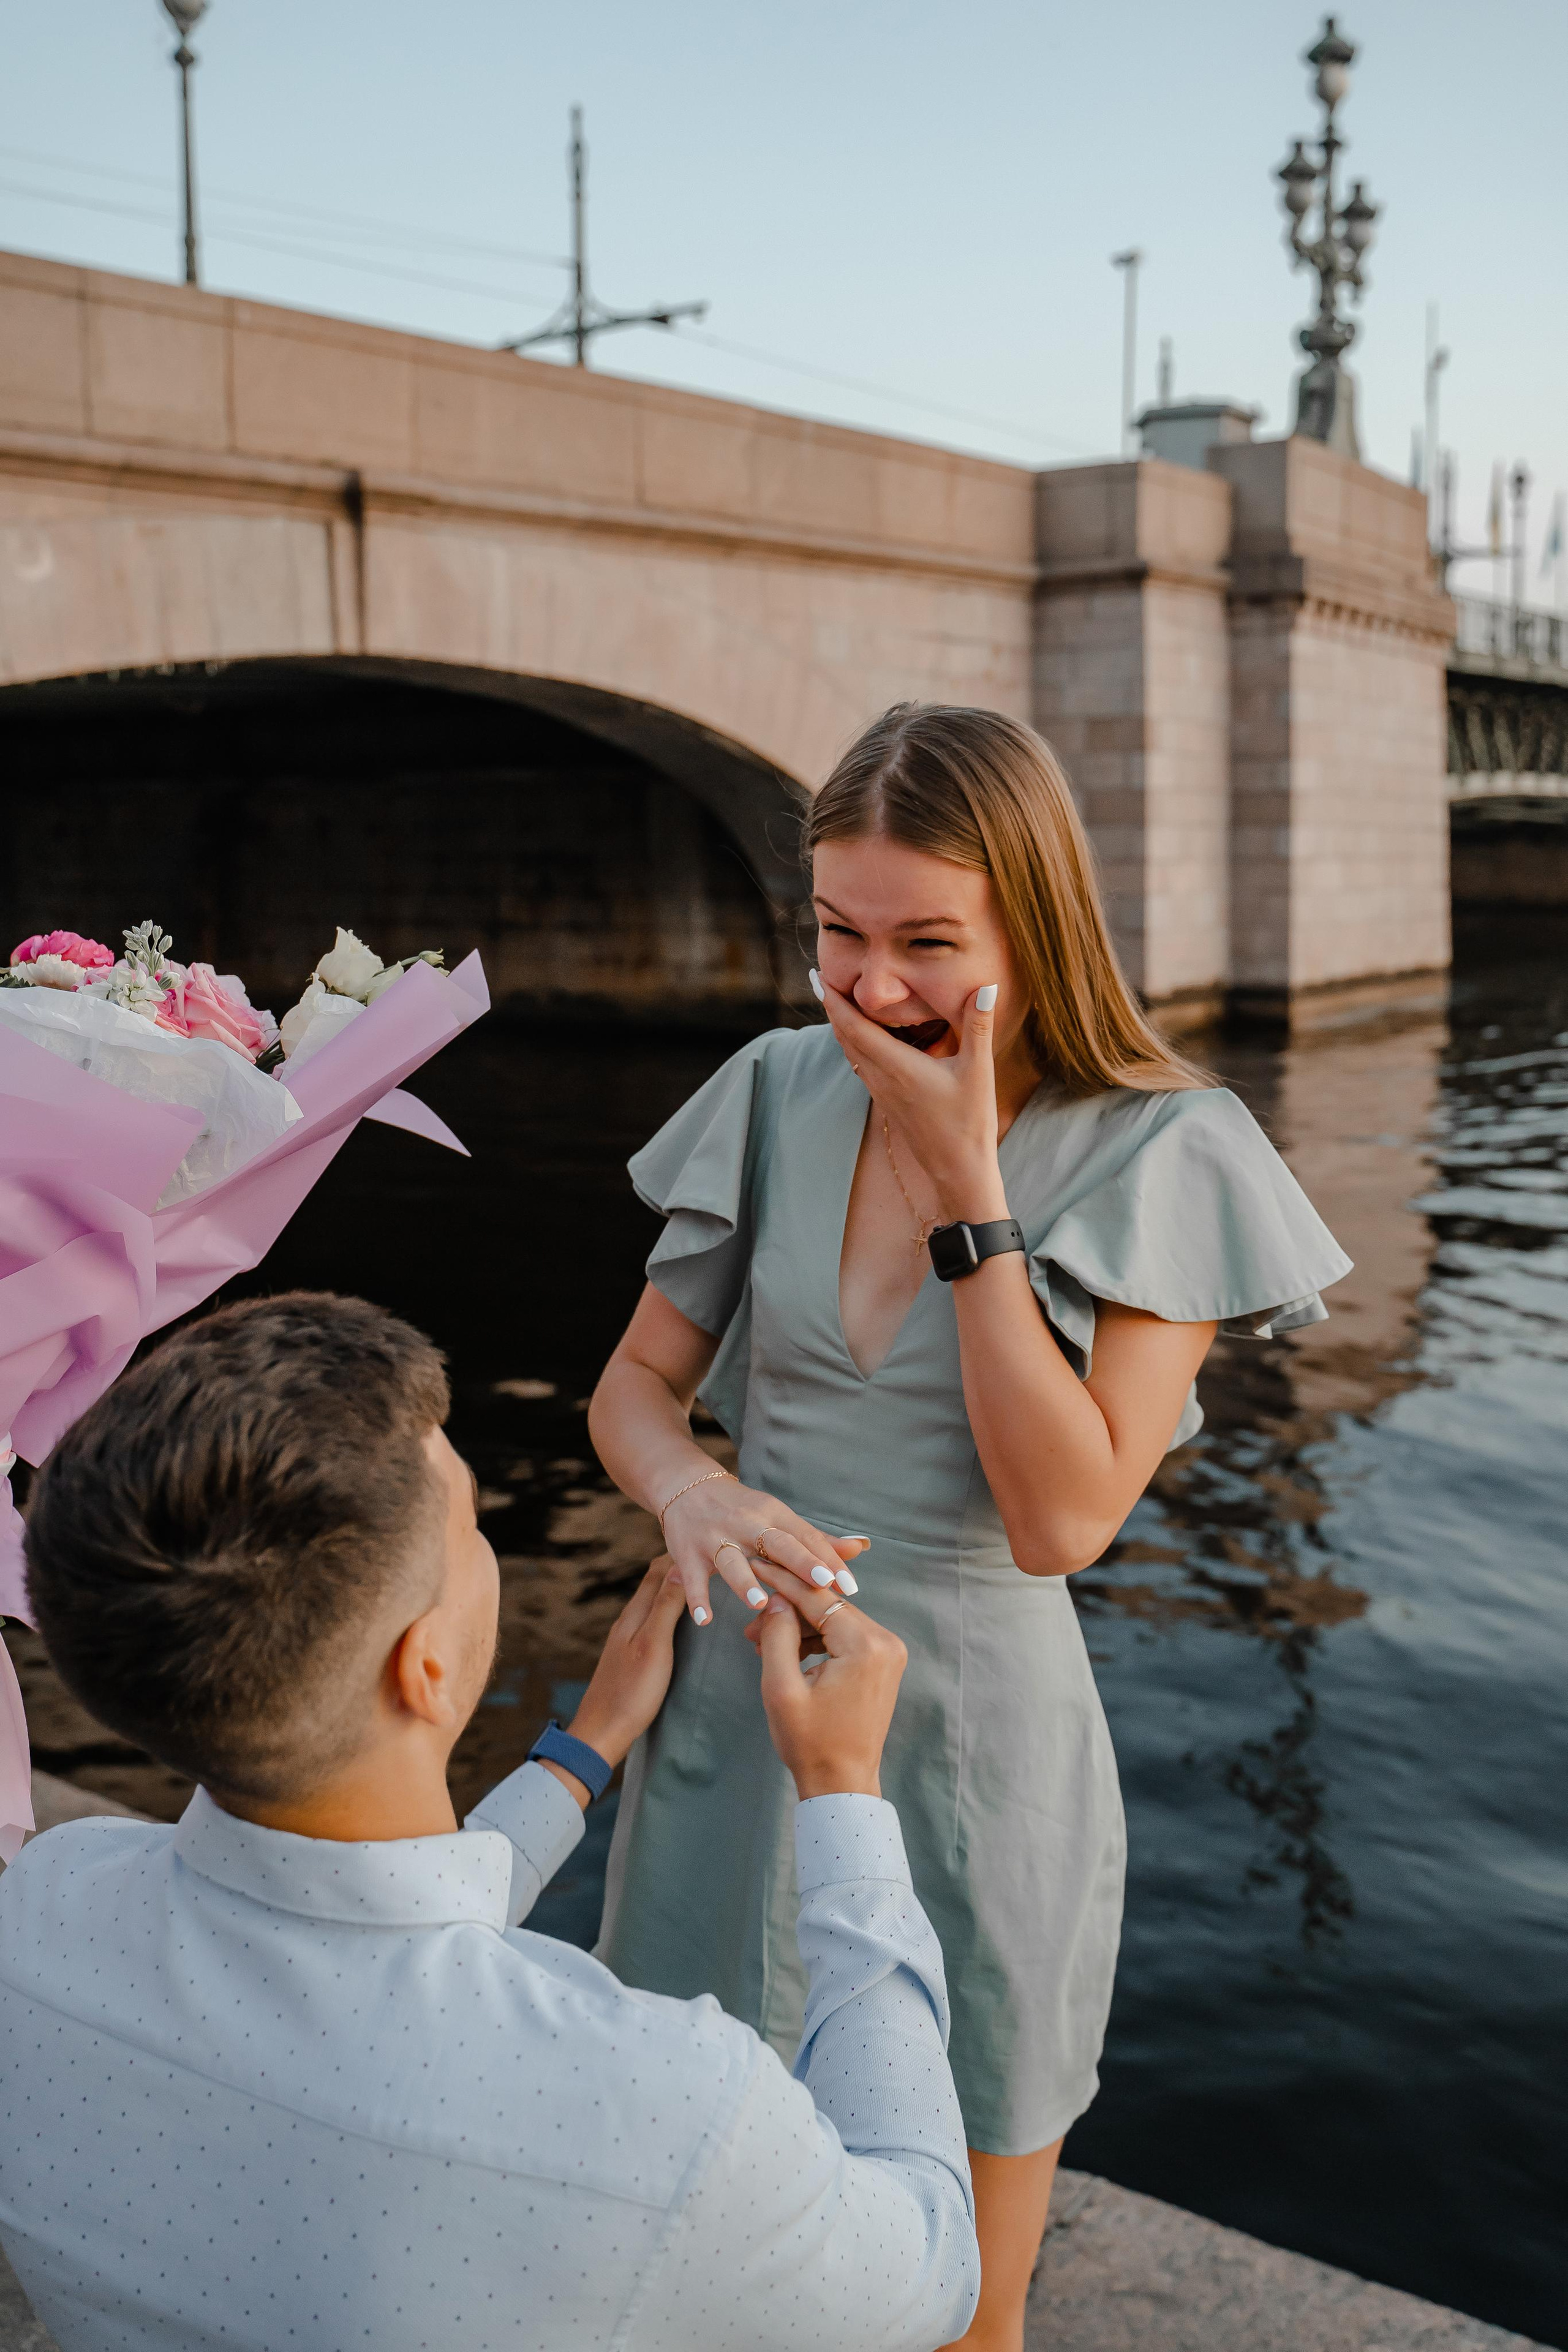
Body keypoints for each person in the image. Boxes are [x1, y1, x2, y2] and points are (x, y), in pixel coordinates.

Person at [589, 703, 1353, 2351]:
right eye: (836, 934)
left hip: (973, 1753)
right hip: (733, 1722)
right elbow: (634, 1393)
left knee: (962, 2310)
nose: (870, 988)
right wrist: (696, 1487)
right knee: (680, 2240)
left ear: (1034, 922)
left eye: (926, 941)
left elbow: (1065, 1516)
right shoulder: (774, 1090)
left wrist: (968, 1195)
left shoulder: (1168, 1145)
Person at [0, 1292, 981, 2352]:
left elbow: (357, 1946)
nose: (485, 1550)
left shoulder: (41, 1917)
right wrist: (842, 1793)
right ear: (424, 1665)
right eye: (471, 1525)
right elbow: (928, 2265)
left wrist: (580, 1754)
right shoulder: (661, 2106)